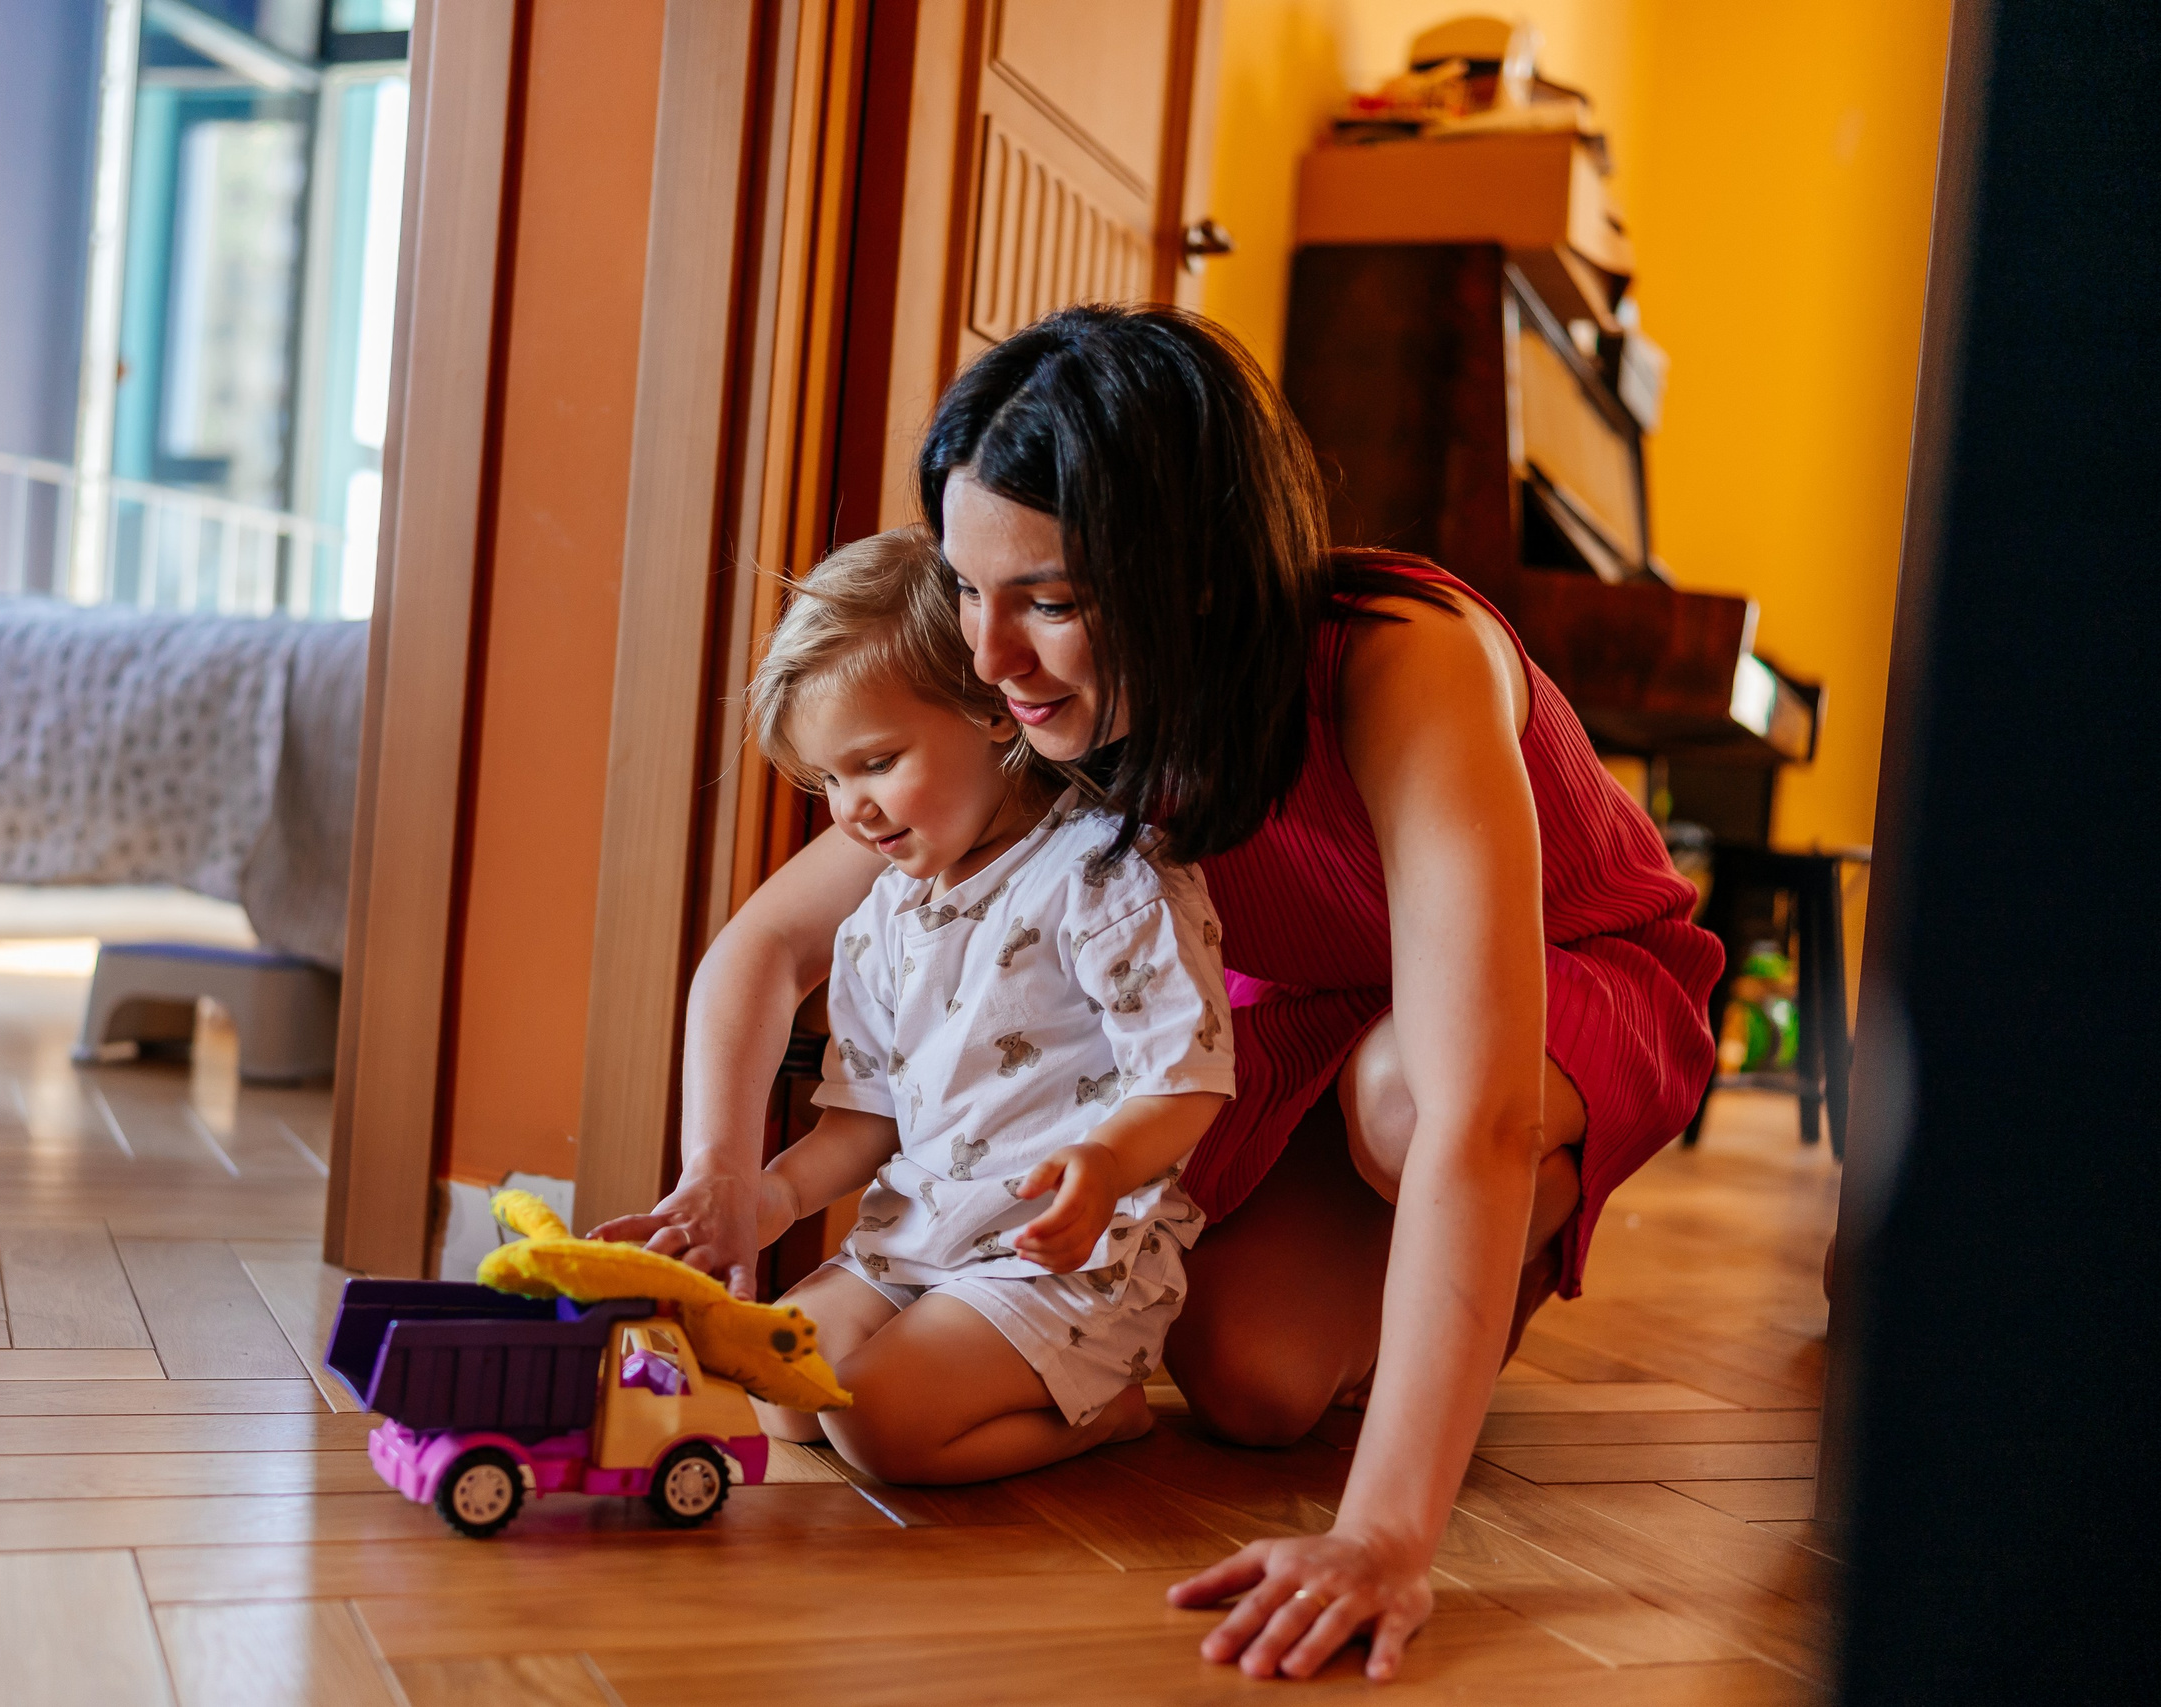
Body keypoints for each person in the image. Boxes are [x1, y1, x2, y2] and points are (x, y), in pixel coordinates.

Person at [595, 305, 1720, 1683]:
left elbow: (1472, 1110)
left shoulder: (1402, 656)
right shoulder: (1047, 700)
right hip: (1311, 1005)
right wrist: (723, 1173)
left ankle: (1509, 1261)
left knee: (1402, 1101)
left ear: (1188, 578)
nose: (988, 657)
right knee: (1250, 1385)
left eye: (1047, 599)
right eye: (966, 586)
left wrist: (1381, 1534)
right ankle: (1429, 1288)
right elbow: (763, 948)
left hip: (1563, 989)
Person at [736, 528, 1232, 1483]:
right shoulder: (880, 918)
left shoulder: (1106, 874)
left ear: (993, 714)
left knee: (876, 1425)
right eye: (829, 778)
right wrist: (779, 1193)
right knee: (779, 1386)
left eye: (877, 762)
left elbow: (1189, 1077)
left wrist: (1105, 1160)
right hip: (921, 1237)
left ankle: (1104, 1413)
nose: (849, 809)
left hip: (1064, 1260)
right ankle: (973, 1377)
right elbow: (866, 1118)